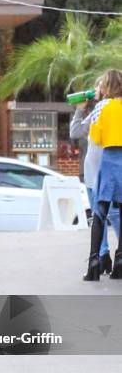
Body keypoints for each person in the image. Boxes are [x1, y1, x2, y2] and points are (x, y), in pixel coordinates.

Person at [70, 77, 120, 274]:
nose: (95, 88)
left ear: (106, 88)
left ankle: (101, 258)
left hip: (100, 169)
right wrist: (80, 109)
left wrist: (82, 109)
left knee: (104, 214)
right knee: (112, 213)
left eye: (99, 85)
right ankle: (104, 255)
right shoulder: (100, 109)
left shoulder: (102, 108)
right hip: (102, 169)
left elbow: (79, 133)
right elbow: (76, 132)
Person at [83, 69, 122, 281]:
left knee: (100, 213)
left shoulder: (101, 107)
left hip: (109, 162)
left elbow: (95, 138)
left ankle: (94, 262)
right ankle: (120, 261)